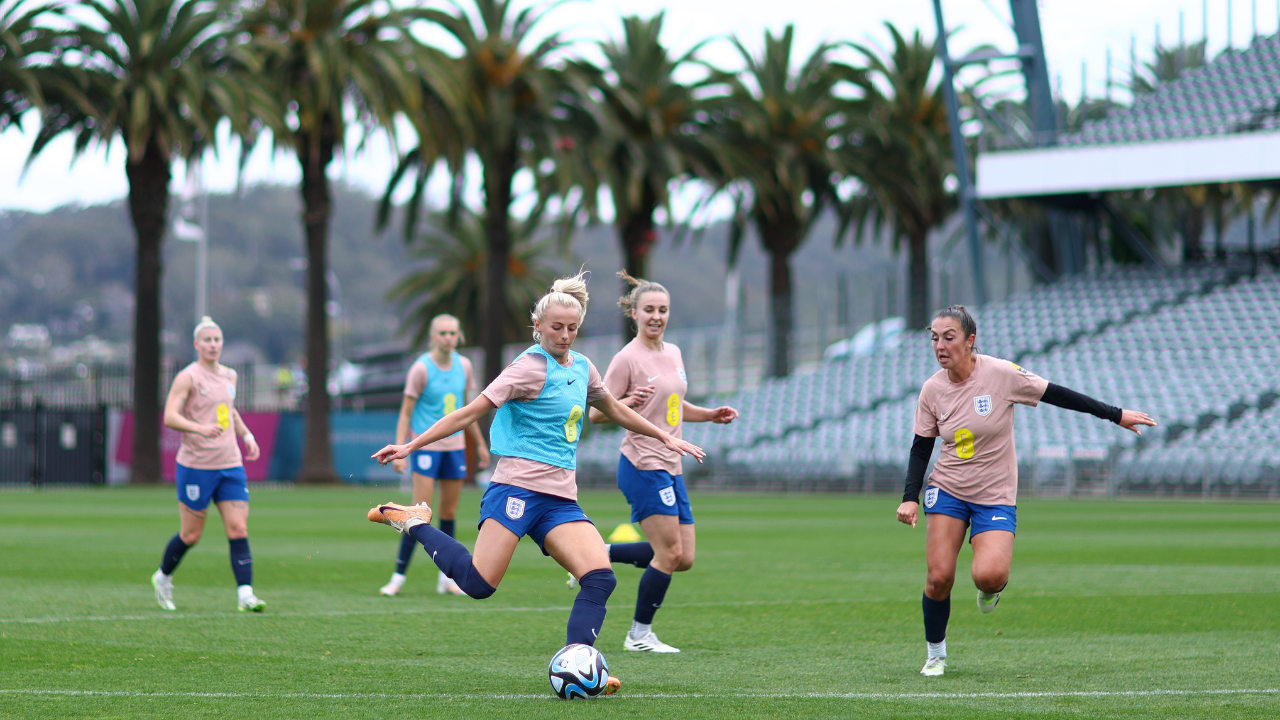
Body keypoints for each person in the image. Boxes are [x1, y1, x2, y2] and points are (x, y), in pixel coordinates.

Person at [369, 271, 706, 694]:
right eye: (556, 328)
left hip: (561, 499)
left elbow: (615, 410)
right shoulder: (525, 368)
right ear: (538, 327)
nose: (565, 335)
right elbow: (469, 412)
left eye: (572, 328)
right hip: (515, 491)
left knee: (600, 576)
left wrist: (665, 435)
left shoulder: (583, 367)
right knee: (477, 585)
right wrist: (409, 445)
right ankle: (415, 521)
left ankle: (580, 665)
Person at [897, 306, 1156, 676]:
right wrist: (910, 496)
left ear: (970, 341)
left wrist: (1115, 414)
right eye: (934, 338)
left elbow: (1057, 394)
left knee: (989, 575)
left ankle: (992, 588)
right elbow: (921, 447)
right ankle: (936, 654)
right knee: (939, 577)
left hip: (995, 494)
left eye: (948, 337)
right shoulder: (932, 389)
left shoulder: (1001, 374)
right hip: (948, 488)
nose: (939, 345)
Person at [585, 271, 738, 654]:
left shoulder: (673, 353)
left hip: (672, 464)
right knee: (668, 554)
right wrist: (628, 402)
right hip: (642, 464)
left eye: (663, 310)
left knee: (683, 558)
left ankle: (600, 554)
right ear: (634, 313)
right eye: (649, 309)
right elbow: (597, 415)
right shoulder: (626, 359)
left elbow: (673, 404)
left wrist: (708, 414)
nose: (656, 316)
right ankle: (639, 636)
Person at [152, 317, 265, 613]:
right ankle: (163, 577)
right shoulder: (188, 377)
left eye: (217, 340)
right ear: (196, 345)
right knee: (191, 535)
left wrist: (246, 435)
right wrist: (199, 428)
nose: (213, 345)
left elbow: (230, 410)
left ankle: (246, 595)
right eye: (207, 340)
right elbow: (169, 416)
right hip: (196, 466)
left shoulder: (230, 375)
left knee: (238, 528)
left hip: (230, 464)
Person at [380, 314, 491, 597]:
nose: (448, 338)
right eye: (443, 333)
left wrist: (478, 444)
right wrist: (400, 450)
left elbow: (468, 411)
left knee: (449, 513)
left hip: (454, 449)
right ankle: (398, 577)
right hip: (426, 449)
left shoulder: (464, 366)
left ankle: (447, 578)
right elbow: (406, 412)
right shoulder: (421, 369)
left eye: (453, 333)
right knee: (419, 514)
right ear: (433, 336)